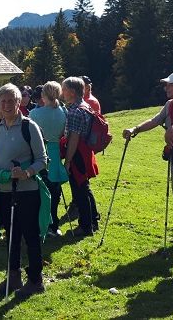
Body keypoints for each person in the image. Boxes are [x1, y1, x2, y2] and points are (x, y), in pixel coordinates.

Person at [122, 71, 173, 254]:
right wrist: (135, 129)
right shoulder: (170, 104)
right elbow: (155, 120)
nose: (166, 88)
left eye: (170, 84)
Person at [0, 83, 47, 299]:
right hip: (3, 189)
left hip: (27, 191)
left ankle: (36, 280)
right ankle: (13, 277)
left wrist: (26, 173)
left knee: (30, 235)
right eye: (3, 101)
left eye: (11, 101)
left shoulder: (30, 127)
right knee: (11, 235)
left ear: (19, 102)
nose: (7, 105)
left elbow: (42, 160)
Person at [62, 77, 100, 237]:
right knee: (85, 188)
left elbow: (74, 139)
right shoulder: (85, 107)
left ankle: (85, 226)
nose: (62, 93)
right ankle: (93, 221)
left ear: (71, 92)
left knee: (80, 192)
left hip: (78, 155)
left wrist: (68, 161)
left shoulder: (75, 112)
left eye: (64, 90)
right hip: (86, 153)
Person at [29, 81, 67, 237]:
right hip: (55, 152)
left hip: (40, 152)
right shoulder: (63, 112)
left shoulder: (34, 114)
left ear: (44, 95)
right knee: (55, 191)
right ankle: (53, 225)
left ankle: (40, 225)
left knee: (40, 192)